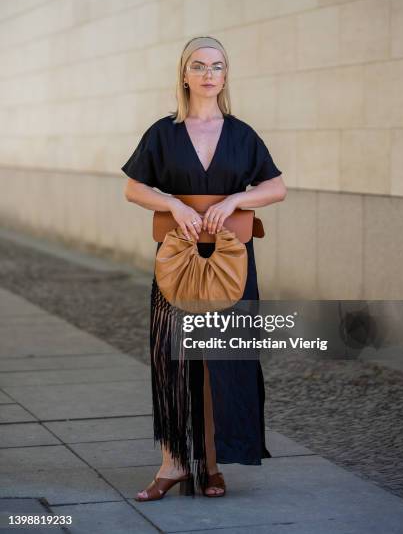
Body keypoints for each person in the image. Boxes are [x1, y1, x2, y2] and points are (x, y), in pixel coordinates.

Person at [121, 35, 287, 500]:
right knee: (174, 359)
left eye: (217, 66)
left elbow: (276, 188)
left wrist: (237, 197)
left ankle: (212, 465)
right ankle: (172, 464)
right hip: (177, 257)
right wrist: (173, 204)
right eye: (199, 65)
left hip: (232, 259)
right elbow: (134, 189)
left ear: (225, 75)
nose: (209, 74)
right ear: (184, 74)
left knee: (223, 360)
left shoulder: (242, 134)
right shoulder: (164, 132)